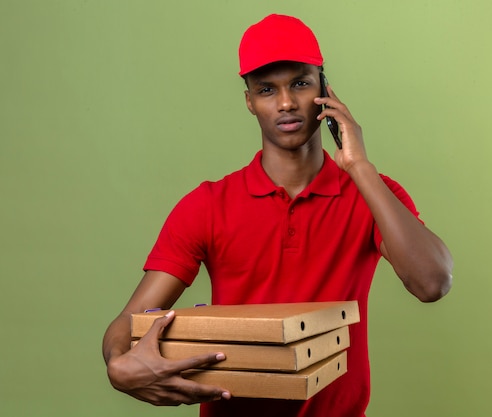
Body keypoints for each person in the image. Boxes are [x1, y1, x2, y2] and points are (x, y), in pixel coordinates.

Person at [102, 13, 453, 417]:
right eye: (267, 89)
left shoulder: (374, 195)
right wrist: (119, 366)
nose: (285, 103)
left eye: (300, 83)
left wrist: (360, 167)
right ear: (249, 101)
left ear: (324, 87)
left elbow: (432, 282)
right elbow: (127, 324)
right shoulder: (208, 204)